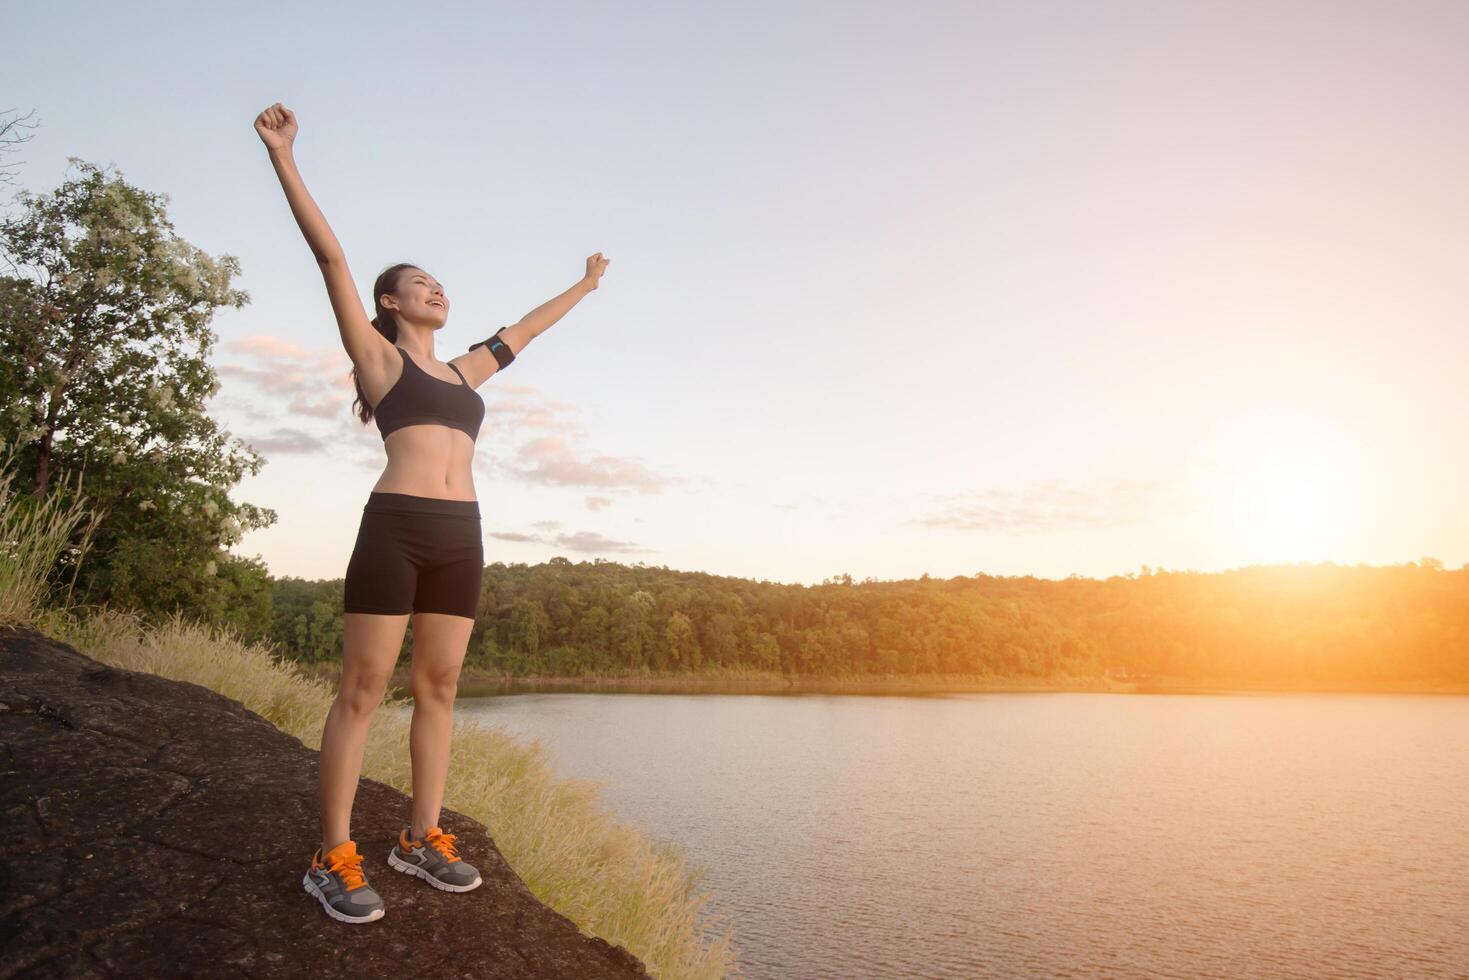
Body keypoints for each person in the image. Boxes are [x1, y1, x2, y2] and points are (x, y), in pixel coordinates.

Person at [254, 101, 610, 924]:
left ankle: (419, 837)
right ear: (389, 303)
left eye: (440, 284)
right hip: (397, 526)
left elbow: (527, 328)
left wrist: (586, 285)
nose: (436, 289)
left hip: (461, 535)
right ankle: (332, 854)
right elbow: (330, 256)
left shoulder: (463, 374)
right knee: (363, 688)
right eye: (420, 283)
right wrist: (284, 157)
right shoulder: (376, 359)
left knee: (440, 685)